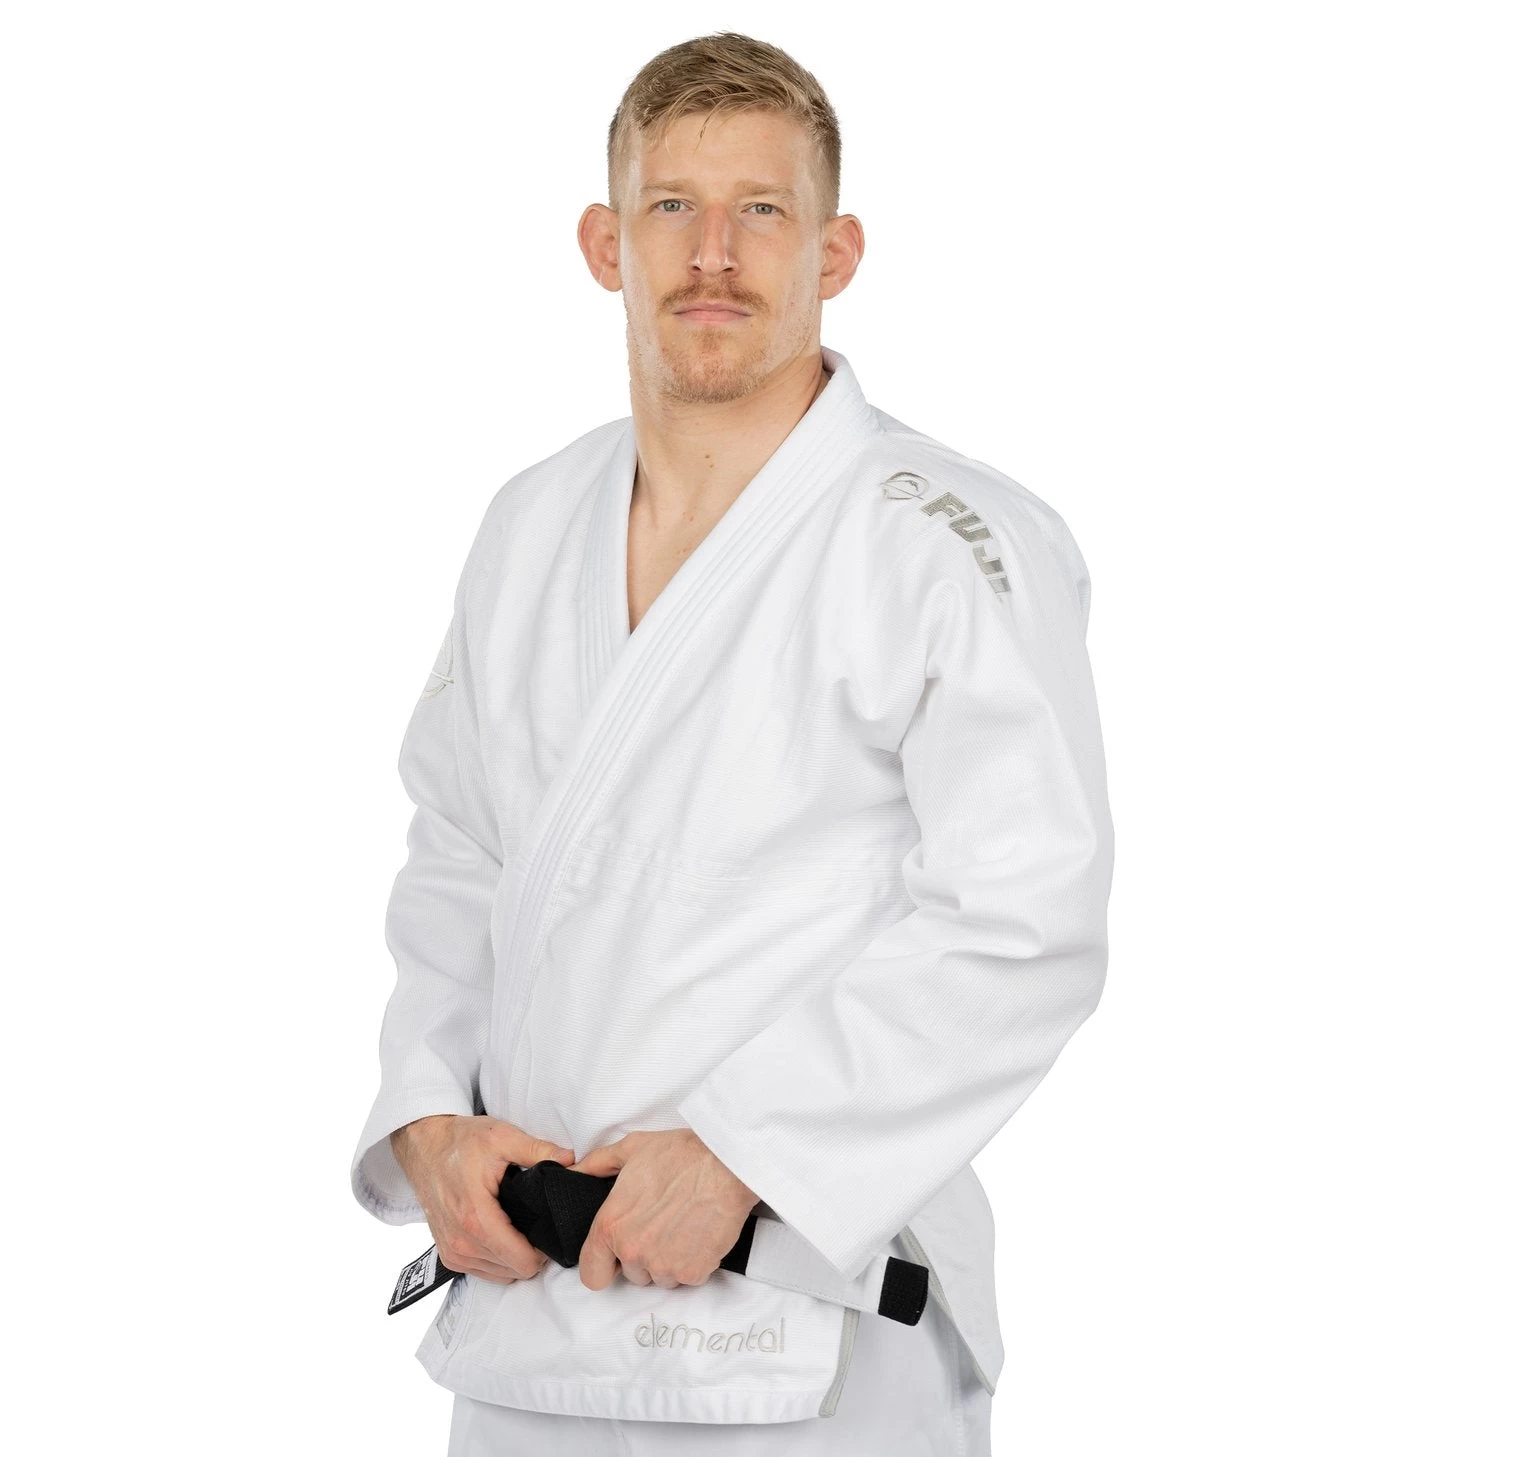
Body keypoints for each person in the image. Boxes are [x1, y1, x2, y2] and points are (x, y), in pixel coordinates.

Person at [349, 30, 1114, 1456]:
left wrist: (751, 1152)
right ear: (605, 244)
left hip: (808, 1309)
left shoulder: (947, 539)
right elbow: (456, 855)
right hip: (529, 1311)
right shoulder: (529, 525)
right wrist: (430, 1128)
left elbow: (1024, 918)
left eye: (762, 209)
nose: (714, 253)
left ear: (837, 251)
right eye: (673, 207)